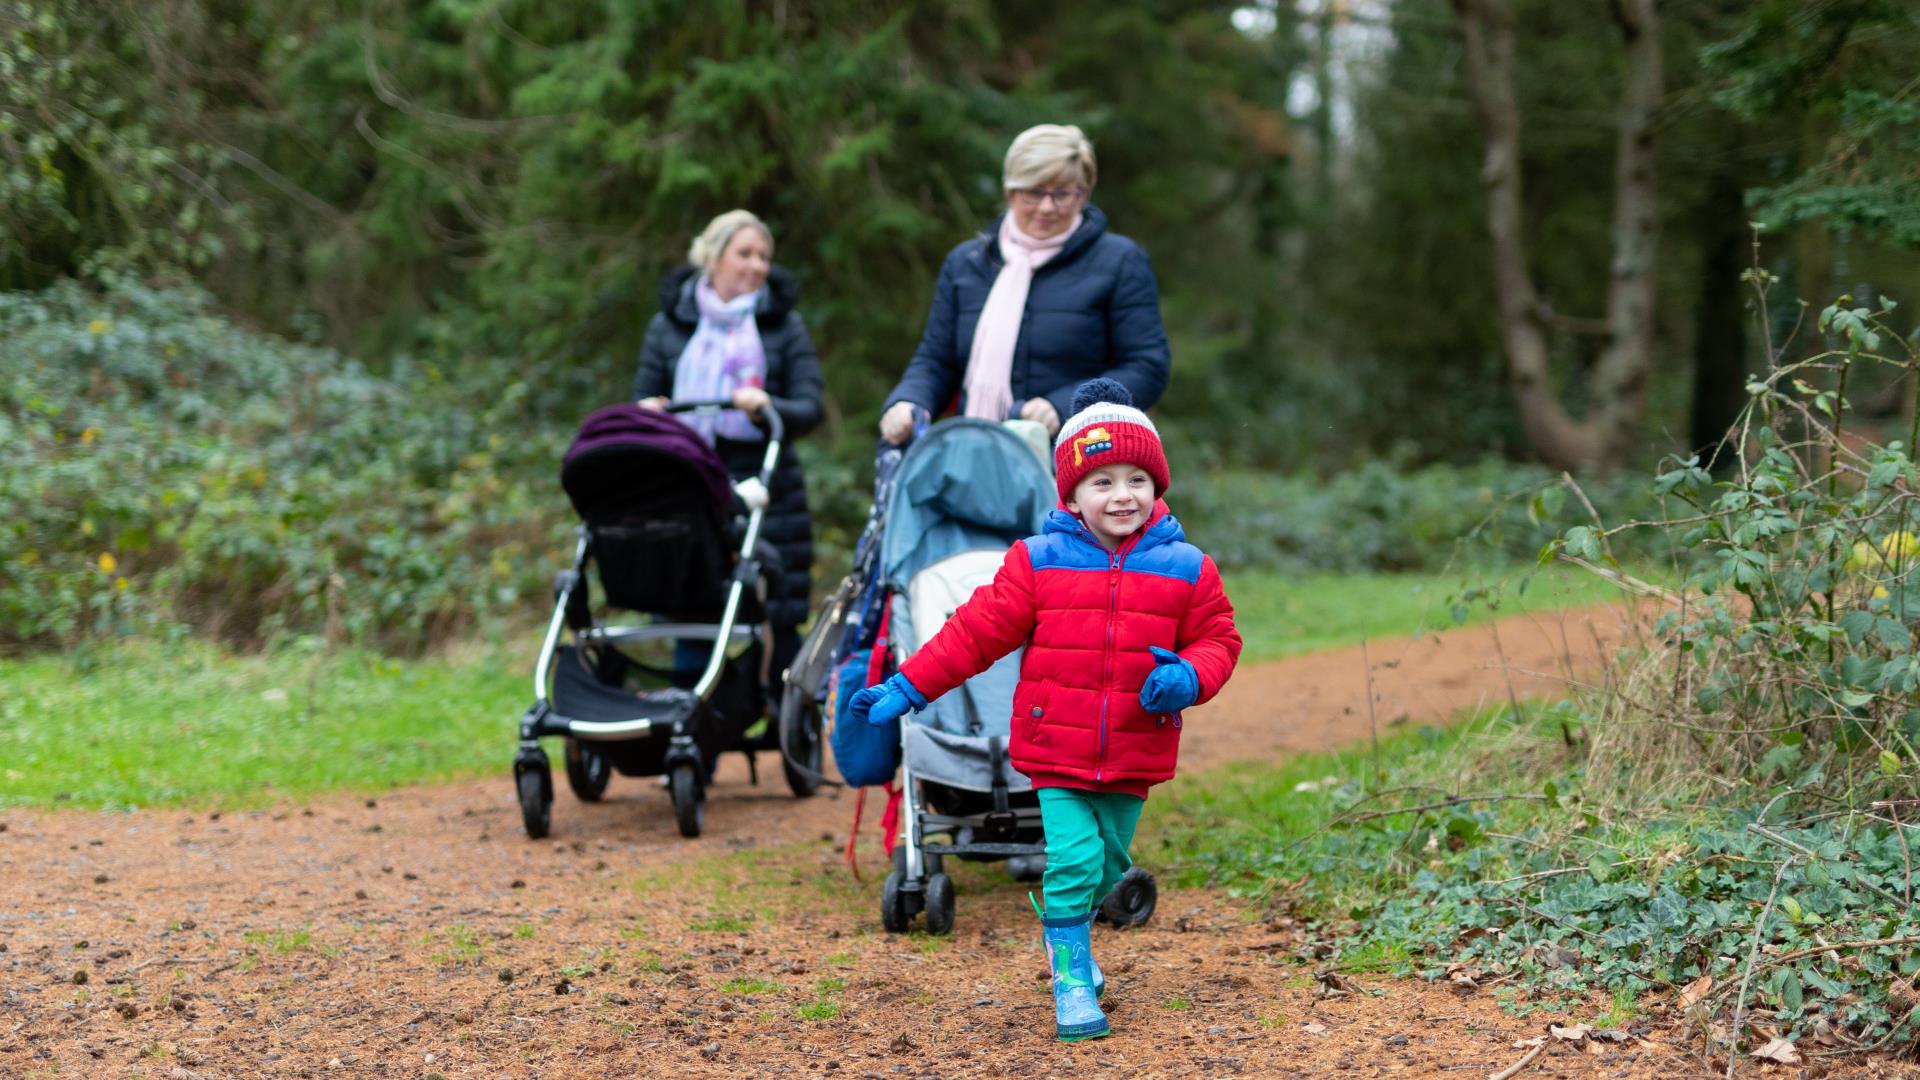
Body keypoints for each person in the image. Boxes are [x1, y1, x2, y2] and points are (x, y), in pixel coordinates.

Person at [850, 378, 1241, 1042]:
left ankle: (1078, 947)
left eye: (1136, 479)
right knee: (1074, 859)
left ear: (1157, 484)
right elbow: (973, 634)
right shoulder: (1037, 562)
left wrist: (1190, 677)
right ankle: (1069, 974)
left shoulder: (1188, 567)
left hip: (1133, 748)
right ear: (1071, 493)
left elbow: (1218, 640)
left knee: (1112, 864)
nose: (1122, 495)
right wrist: (908, 687)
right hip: (1053, 750)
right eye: (1102, 482)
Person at [877, 124, 1171, 446]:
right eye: (1033, 192)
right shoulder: (967, 262)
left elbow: (1146, 368)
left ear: (1084, 192)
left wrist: (1064, 406)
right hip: (974, 456)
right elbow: (936, 360)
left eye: (1061, 194)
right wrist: (908, 401)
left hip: (1077, 461)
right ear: (1010, 191)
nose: (1046, 207)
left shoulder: (1120, 261)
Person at [634, 209, 823, 685]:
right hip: (687, 477)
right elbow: (639, 401)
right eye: (745, 254)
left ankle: (785, 705)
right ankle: (690, 717)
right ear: (713, 258)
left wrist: (766, 404)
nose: (758, 265)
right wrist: (649, 409)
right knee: (693, 595)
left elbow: (809, 406)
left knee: (777, 606)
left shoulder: (784, 326)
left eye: (764, 256)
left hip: (765, 480)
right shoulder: (668, 326)